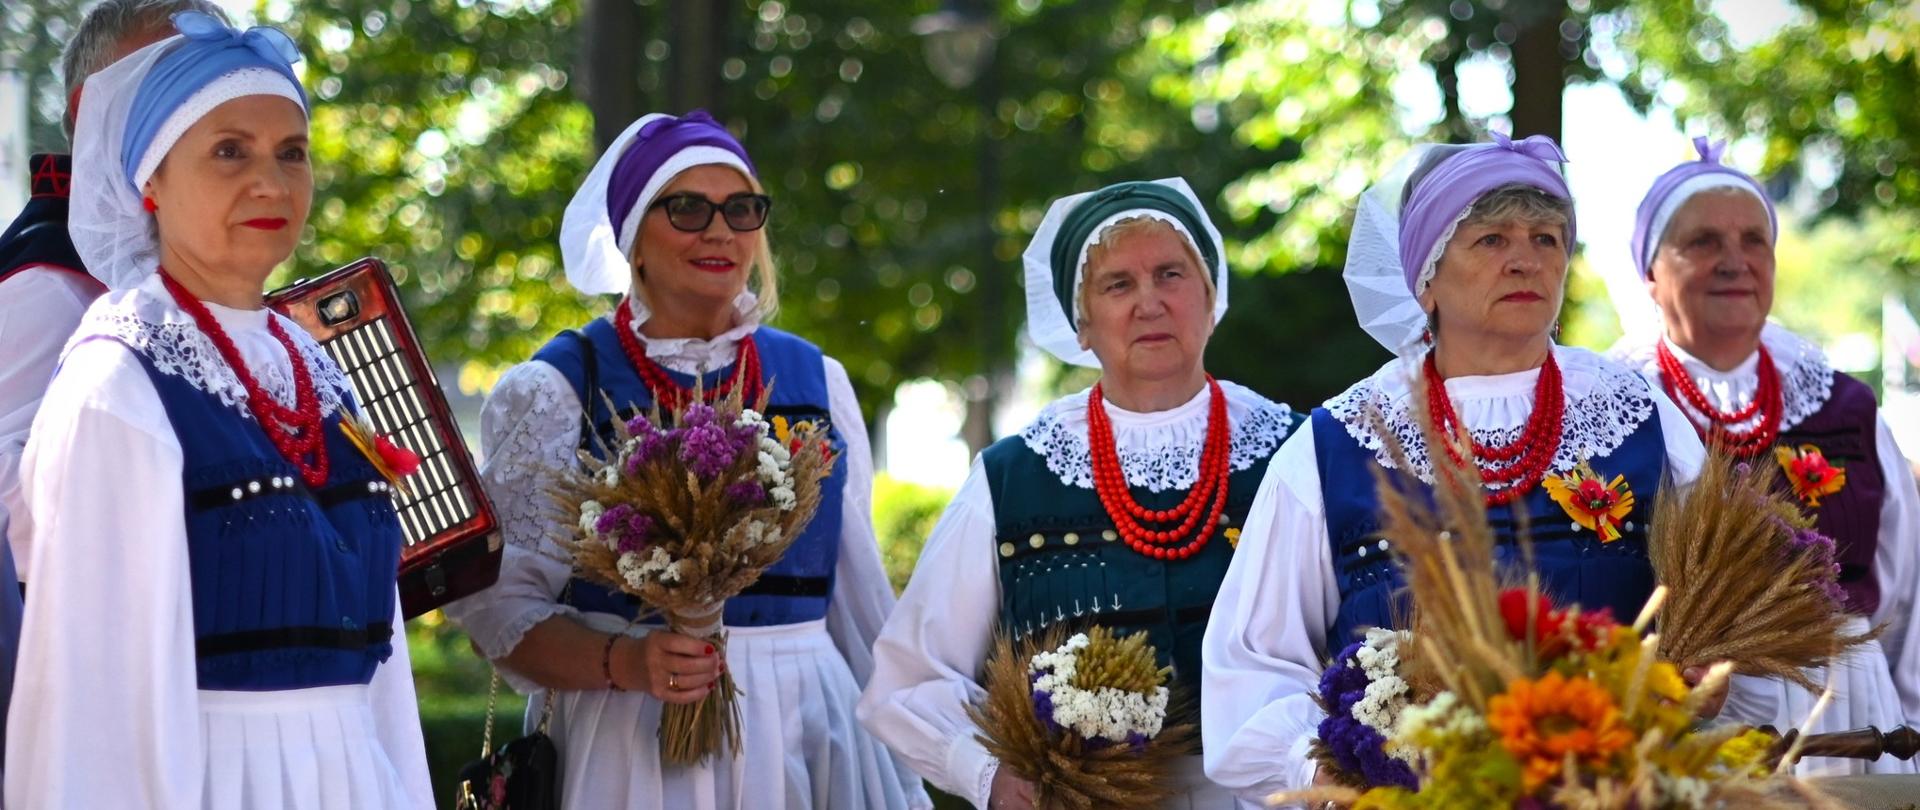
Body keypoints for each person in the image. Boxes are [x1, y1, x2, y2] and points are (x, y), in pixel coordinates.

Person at [1199, 135, 1726, 801]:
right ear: (1425, 281)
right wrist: (1324, 767)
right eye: (1492, 240)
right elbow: (1252, 662)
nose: (1525, 261)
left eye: (1545, 238)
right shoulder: (1338, 440)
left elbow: (1724, 607)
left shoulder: (1638, 418)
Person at [4, 12, 432, 807]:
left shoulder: (314, 370)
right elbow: (94, 714)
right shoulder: (116, 386)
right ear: (150, 183)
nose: (270, 182)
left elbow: (385, 673)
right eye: (229, 150)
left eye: (291, 152)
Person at [442, 110, 927, 810]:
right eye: (688, 207)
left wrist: (900, 763)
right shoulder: (558, 388)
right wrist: (626, 662)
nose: (721, 230)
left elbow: (860, 604)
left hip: (806, 728)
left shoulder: (816, 380)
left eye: (741, 209)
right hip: (626, 731)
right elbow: (502, 608)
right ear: (632, 236)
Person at [859, 178, 1300, 810]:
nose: (1149, 302)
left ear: (1210, 300)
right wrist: (988, 773)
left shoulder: (1295, 453)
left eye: (1171, 274)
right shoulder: (1013, 475)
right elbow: (909, 677)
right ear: (1082, 324)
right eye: (1118, 284)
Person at [1609, 137, 1920, 775]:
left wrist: (1913, 722)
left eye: (1754, 240)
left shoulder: (1846, 409)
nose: (1735, 261)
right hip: (1685, 727)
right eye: (1702, 243)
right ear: (1650, 273)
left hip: (1851, 719)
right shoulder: (1615, 411)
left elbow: (1907, 591)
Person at [0, 1, 226, 779]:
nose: (195, 101)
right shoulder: (45, 287)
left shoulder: (189, 283)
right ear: (85, 114)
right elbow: (10, 516)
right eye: (162, 81)